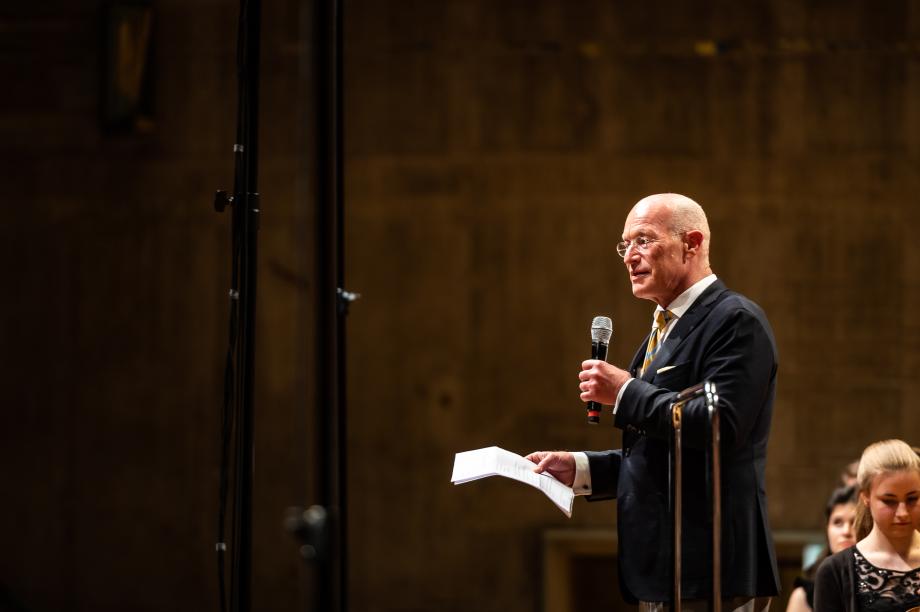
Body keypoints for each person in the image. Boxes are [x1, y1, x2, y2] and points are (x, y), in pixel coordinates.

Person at [526, 193, 780, 611]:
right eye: (624, 245)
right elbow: (664, 450)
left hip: (711, 566)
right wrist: (583, 469)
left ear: (692, 243)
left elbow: (719, 425)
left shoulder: (735, 321)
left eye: (644, 240)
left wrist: (625, 391)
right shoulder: (663, 328)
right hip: (666, 569)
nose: (629, 256)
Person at [813, 439, 920, 611]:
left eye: (912, 499)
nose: (903, 513)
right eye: (889, 501)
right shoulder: (835, 571)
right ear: (865, 497)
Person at [786, 485, 858, 612]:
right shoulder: (804, 594)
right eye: (838, 522)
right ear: (827, 529)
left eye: (855, 522)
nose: (846, 531)